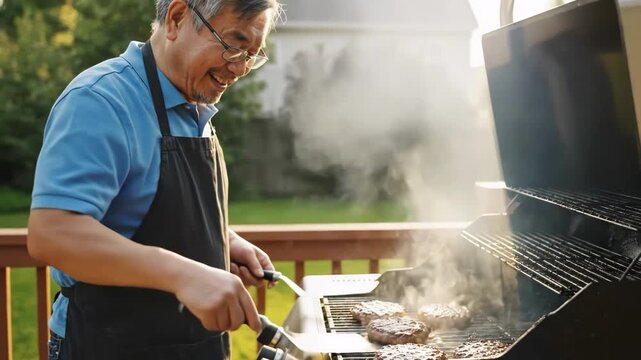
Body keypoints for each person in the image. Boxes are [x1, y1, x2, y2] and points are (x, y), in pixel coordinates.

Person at [27, 0, 283, 359]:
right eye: (232, 45)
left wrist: (221, 241)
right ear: (177, 18)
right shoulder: (100, 100)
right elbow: (52, 233)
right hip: (110, 345)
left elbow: (141, 209)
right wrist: (185, 274)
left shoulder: (195, 107)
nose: (239, 68)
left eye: (251, 55)